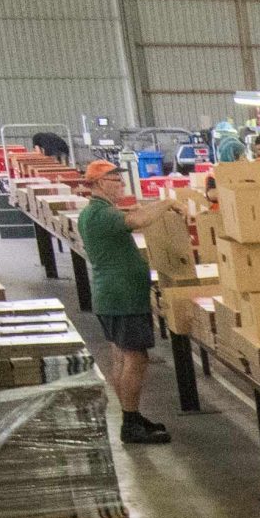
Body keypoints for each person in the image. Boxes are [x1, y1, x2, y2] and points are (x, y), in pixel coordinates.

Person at [75, 159, 180, 446]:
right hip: (122, 297)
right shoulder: (100, 215)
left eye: (120, 179)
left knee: (122, 356)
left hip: (113, 296)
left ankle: (130, 416)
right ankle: (130, 422)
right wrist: (168, 202)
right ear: (97, 184)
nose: (121, 184)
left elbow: (131, 216)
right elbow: (139, 220)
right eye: (114, 179)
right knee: (135, 358)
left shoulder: (99, 213)